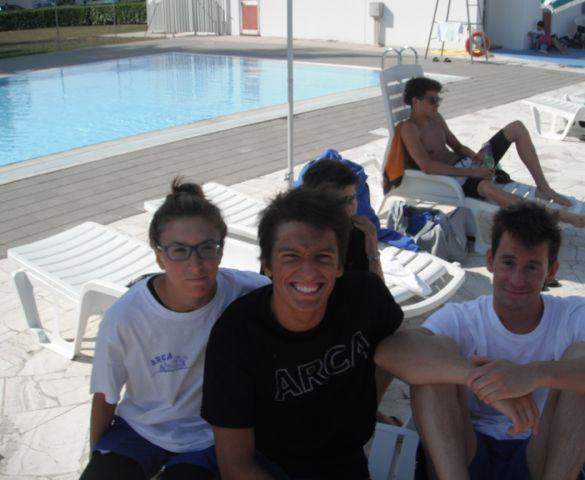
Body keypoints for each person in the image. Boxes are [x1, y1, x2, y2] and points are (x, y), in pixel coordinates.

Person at [375, 202, 585, 480]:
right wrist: (480, 379)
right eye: (509, 263)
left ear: (551, 271)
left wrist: (533, 375)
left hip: (541, 455)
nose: (517, 279)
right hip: (464, 454)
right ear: (491, 261)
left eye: (532, 267)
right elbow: (390, 353)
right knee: (434, 357)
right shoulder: (464, 317)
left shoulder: (575, 314)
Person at [201, 188, 403, 479]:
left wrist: (371, 403)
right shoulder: (236, 335)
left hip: (344, 461)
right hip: (268, 466)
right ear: (267, 265)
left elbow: (400, 344)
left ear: (339, 264)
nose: (308, 272)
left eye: (322, 257)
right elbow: (236, 465)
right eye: (291, 257)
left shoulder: (365, 297)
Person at [80, 179, 270, 480]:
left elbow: (294, 289)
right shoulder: (125, 316)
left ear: (221, 250)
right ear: (158, 255)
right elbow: (106, 394)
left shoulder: (246, 291)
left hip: (208, 437)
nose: (196, 264)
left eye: (207, 248)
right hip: (140, 430)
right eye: (179, 251)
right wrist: (96, 457)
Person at [396, 76, 585, 228]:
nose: (438, 104)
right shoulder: (409, 129)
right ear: (416, 102)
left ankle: (543, 187)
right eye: (433, 100)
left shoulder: (436, 118)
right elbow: (427, 166)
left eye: (439, 99)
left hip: (467, 166)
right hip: (454, 180)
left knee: (516, 127)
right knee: (491, 190)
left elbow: (458, 147)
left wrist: (474, 156)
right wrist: (472, 172)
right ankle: (555, 215)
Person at [302, 158, 383, 279]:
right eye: (342, 202)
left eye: (353, 198)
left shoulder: (359, 232)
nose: (351, 207)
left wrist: (373, 251)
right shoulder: (299, 240)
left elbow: (377, 288)